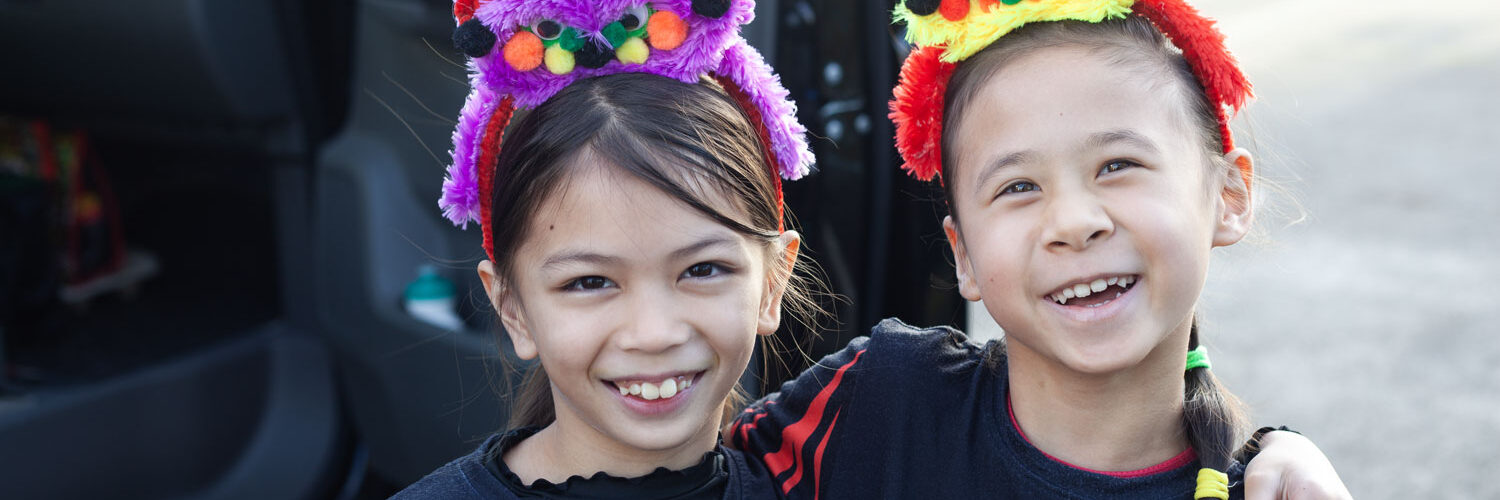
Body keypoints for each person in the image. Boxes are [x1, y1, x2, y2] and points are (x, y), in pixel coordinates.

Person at [729, 1, 1352, 498]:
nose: (1075, 223)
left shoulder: (1270, 492)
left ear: (1229, 194)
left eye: (1118, 164)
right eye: (1019, 186)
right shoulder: (874, 408)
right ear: (963, 254)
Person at [396, 0, 817, 497]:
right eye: (589, 282)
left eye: (703, 269)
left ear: (772, 282)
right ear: (513, 309)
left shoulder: (835, 462)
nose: (654, 333)